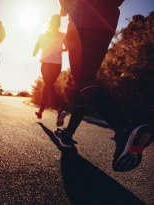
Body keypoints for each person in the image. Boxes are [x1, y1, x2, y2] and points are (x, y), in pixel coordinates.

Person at [55, 0, 153, 172]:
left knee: (83, 79)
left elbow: (64, 7)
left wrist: (64, 8)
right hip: (107, 20)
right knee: (85, 82)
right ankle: (67, 134)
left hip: (82, 18)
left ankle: (123, 127)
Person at [33, 14, 67, 126]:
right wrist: (61, 49)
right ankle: (40, 111)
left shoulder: (43, 35)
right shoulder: (63, 35)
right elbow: (67, 47)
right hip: (57, 65)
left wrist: (43, 47)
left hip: (46, 64)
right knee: (48, 86)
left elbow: (35, 51)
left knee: (49, 85)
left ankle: (59, 110)